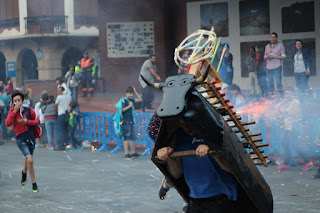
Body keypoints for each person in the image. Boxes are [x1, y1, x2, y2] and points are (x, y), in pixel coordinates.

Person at [157, 119, 238, 212]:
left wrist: (212, 149)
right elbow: (176, 173)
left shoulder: (213, 132)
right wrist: (168, 157)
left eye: (189, 122)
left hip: (221, 196)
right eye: (182, 123)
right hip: (195, 198)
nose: (186, 127)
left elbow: (230, 169)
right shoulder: (179, 135)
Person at [148, 113, 189, 212]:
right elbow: (152, 131)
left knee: (189, 172)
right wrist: (162, 144)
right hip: (171, 143)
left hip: (187, 140)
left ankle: (187, 201)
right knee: (175, 176)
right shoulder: (163, 112)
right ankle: (167, 184)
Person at [5, 90, 41, 193]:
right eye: (15, 100)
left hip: (31, 138)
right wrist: (14, 112)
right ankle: (34, 184)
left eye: (18, 100)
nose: (17, 102)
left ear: (22, 100)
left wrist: (27, 122)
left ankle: (24, 172)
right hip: (20, 139)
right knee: (30, 159)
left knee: (27, 158)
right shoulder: (12, 112)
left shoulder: (28, 110)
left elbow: (38, 121)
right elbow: (7, 123)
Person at [276, 88, 314, 171]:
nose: (287, 95)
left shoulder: (296, 102)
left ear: (293, 94)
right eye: (286, 94)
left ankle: (308, 162)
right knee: (285, 145)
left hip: (294, 127)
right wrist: (283, 101)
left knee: (296, 146)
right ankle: (286, 163)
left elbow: (296, 113)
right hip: (288, 127)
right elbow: (276, 107)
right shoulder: (287, 102)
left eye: (289, 94)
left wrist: (285, 110)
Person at [114, 86, 142, 159]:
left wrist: (135, 91)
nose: (131, 95)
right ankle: (126, 153)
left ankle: (133, 152)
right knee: (126, 137)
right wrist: (129, 106)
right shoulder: (123, 100)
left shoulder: (131, 100)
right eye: (129, 93)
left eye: (132, 94)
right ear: (126, 93)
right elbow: (121, 110)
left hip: (131, 121)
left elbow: (140, 99)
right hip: (125, 122)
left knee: (133, 137)